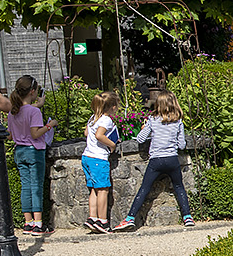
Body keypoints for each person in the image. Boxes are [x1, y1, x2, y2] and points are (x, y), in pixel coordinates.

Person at [112, 90, 193, 231]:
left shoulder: (152, 120)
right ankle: (187, 217)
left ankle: (130, 218)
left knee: (144, 188)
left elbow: (140, 138)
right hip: (172, 159)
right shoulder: (178, 121)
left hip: (156, 160)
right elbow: (181, 145)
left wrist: (145, 128)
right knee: (179, 187)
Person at [6, 75, 57, 237]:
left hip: (19, 151)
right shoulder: (34, 112)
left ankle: (27, 223)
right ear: (33, 91)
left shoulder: (13, 111)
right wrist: (50, 125)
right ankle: (38, 224)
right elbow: (35, 133)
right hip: (34, 151)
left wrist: (37, 105)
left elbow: (9, 135)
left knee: (25, 186)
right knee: (36, 186)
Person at [82, 91, 120, 234]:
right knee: (103, 190)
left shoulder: (93, 117)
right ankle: (102, 221)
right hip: (98, 158)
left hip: (87, 156)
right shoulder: (106, 120)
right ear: (113, 107)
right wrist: (112, 145)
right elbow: (99, 135)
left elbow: (87, 133)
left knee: (94, 189)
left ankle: (92, 217)